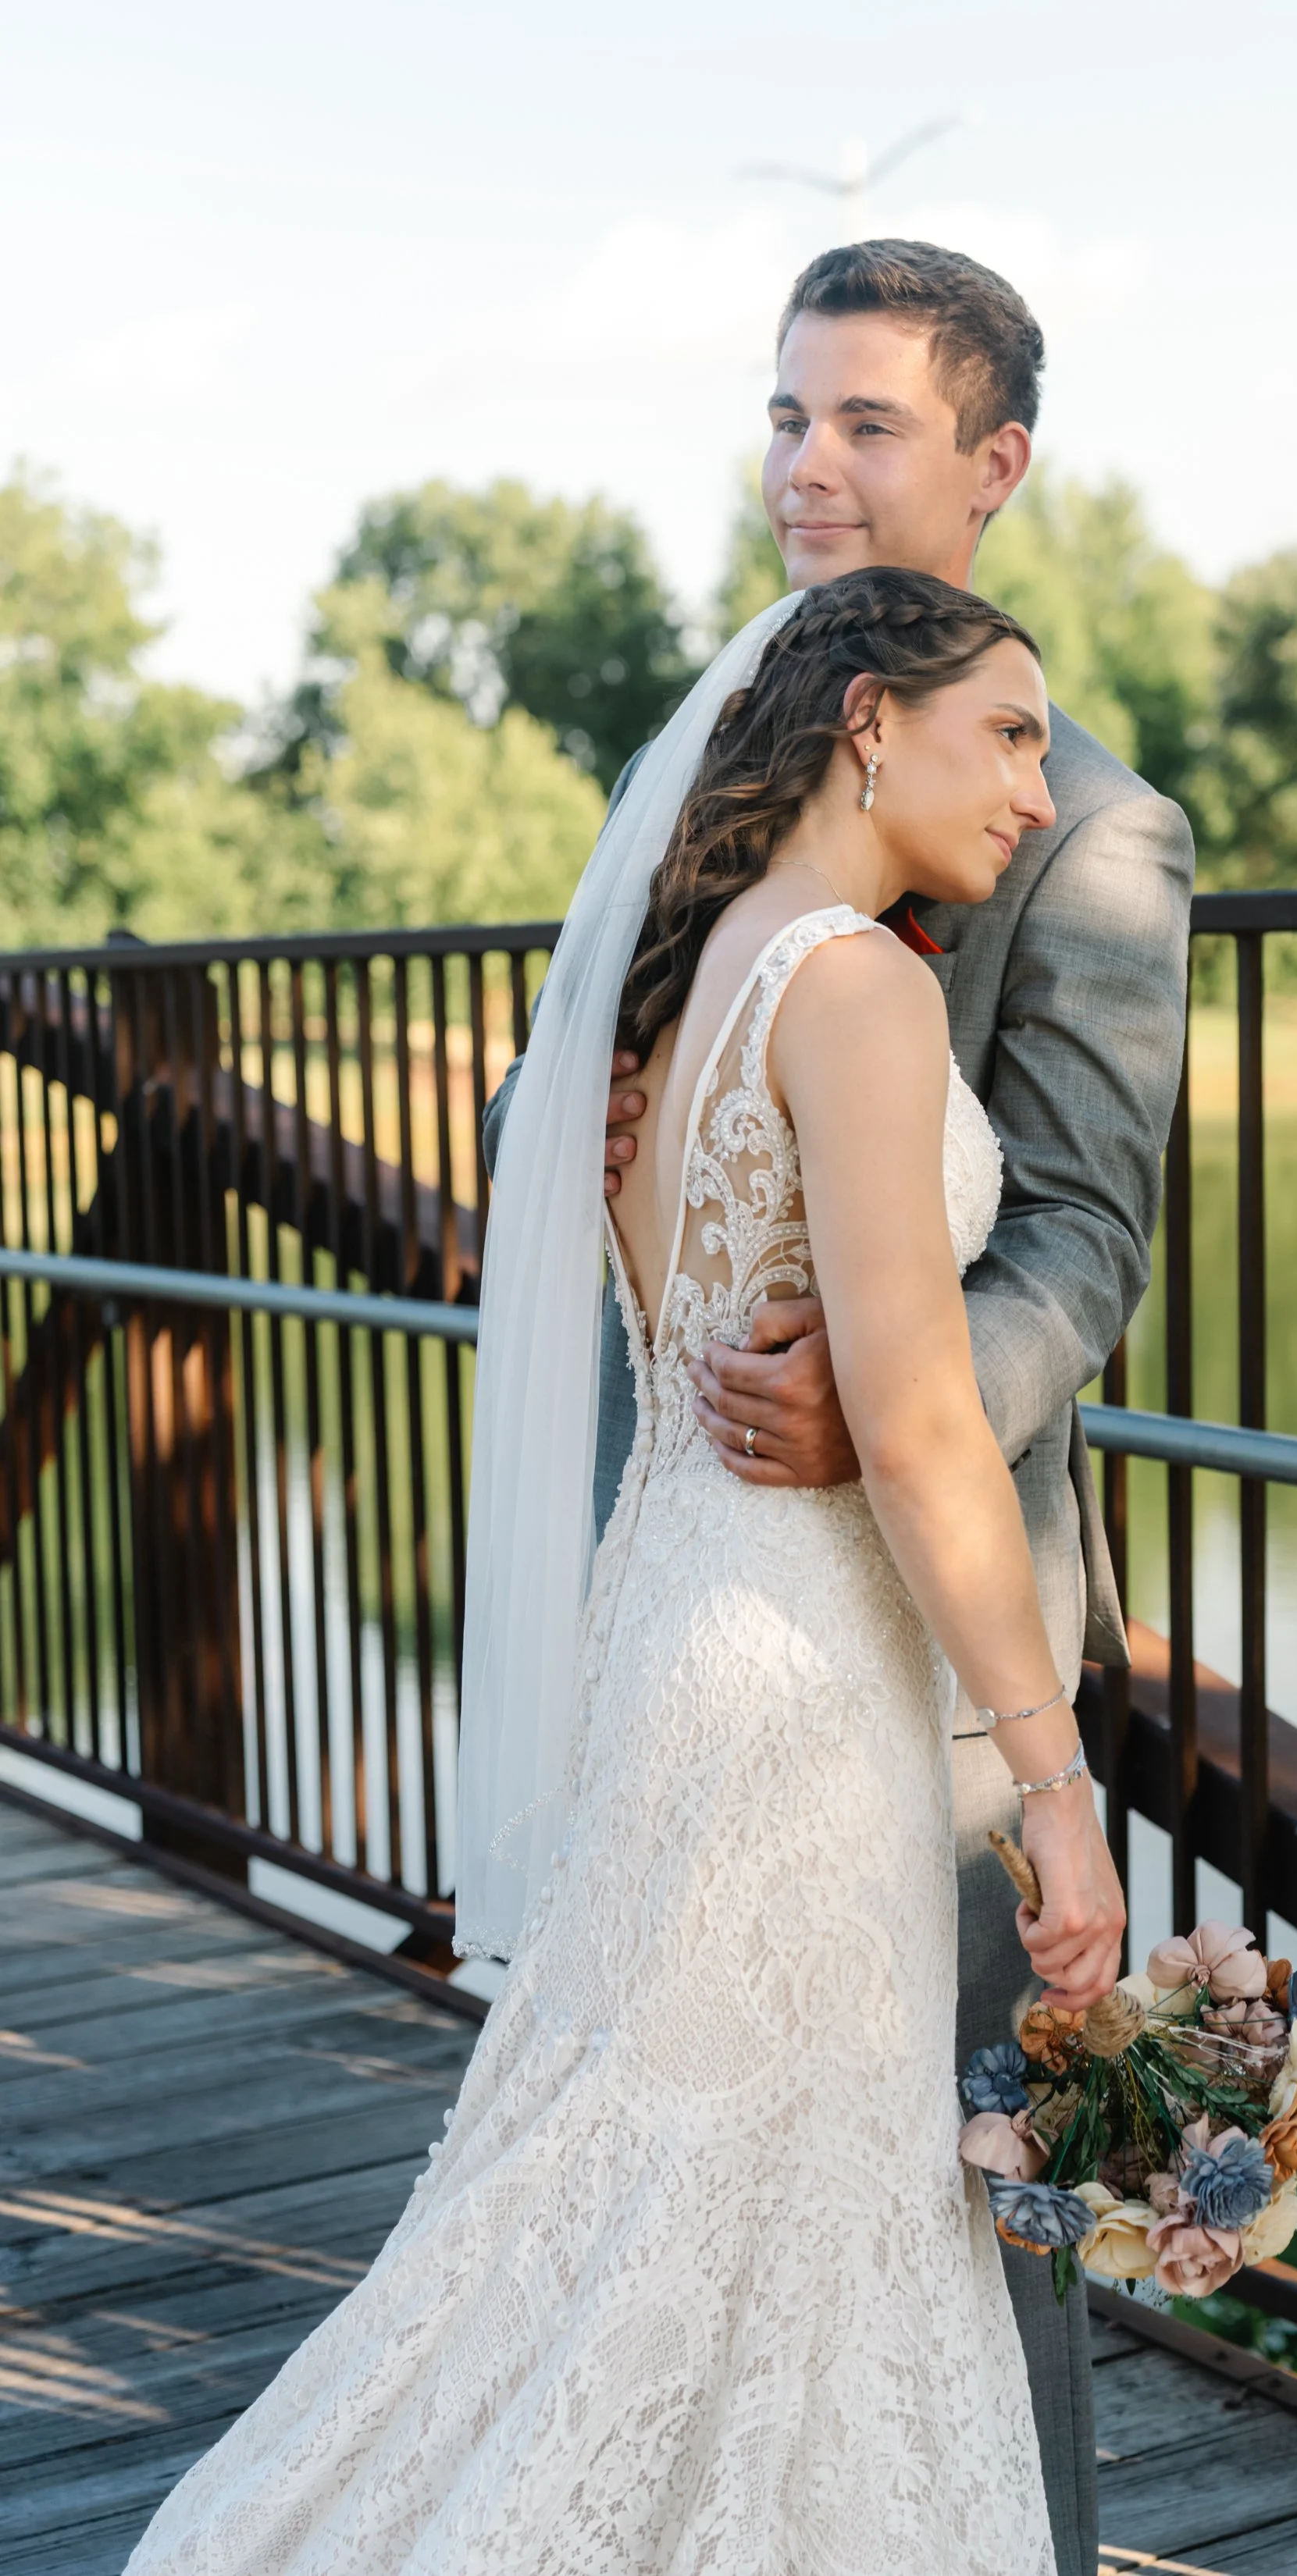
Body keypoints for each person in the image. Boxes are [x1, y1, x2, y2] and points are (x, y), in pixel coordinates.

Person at [126, 567, 1116, 2574]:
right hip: (792, 1672)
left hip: (681, 1609)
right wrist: (1053, 1778)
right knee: (747, 2188)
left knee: (640, 2177)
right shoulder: (855, 984)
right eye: (1002, 730)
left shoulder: (681, 986)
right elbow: (922, 1430)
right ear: (864, 720)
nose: (1032, 791)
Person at [483, 239, 1194, 2576]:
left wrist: (879, 1403)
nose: (806, 465)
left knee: (971, 2193)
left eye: (868, 423)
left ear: (993, 463)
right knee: (708, 2184)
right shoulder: (686, 773)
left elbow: (1078, 1235)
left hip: (916, 1607)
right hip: (735, 1604)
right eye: (786, 413)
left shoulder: (1084, 822)